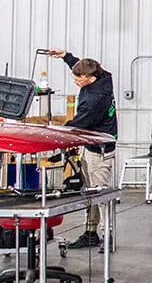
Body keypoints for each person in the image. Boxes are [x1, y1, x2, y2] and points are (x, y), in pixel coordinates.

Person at [48, 48, 117, 249]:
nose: (75, 81)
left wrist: (56, 133)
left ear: (90, 79)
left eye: (79, 79)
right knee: (90, 193)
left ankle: (107, 235)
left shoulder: (95, 100)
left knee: (100, 194)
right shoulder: (104, 77)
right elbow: (85, 66)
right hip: (91, 146)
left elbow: (79, 124)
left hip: (100, 150)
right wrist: (66, 57)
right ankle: (90, 232)